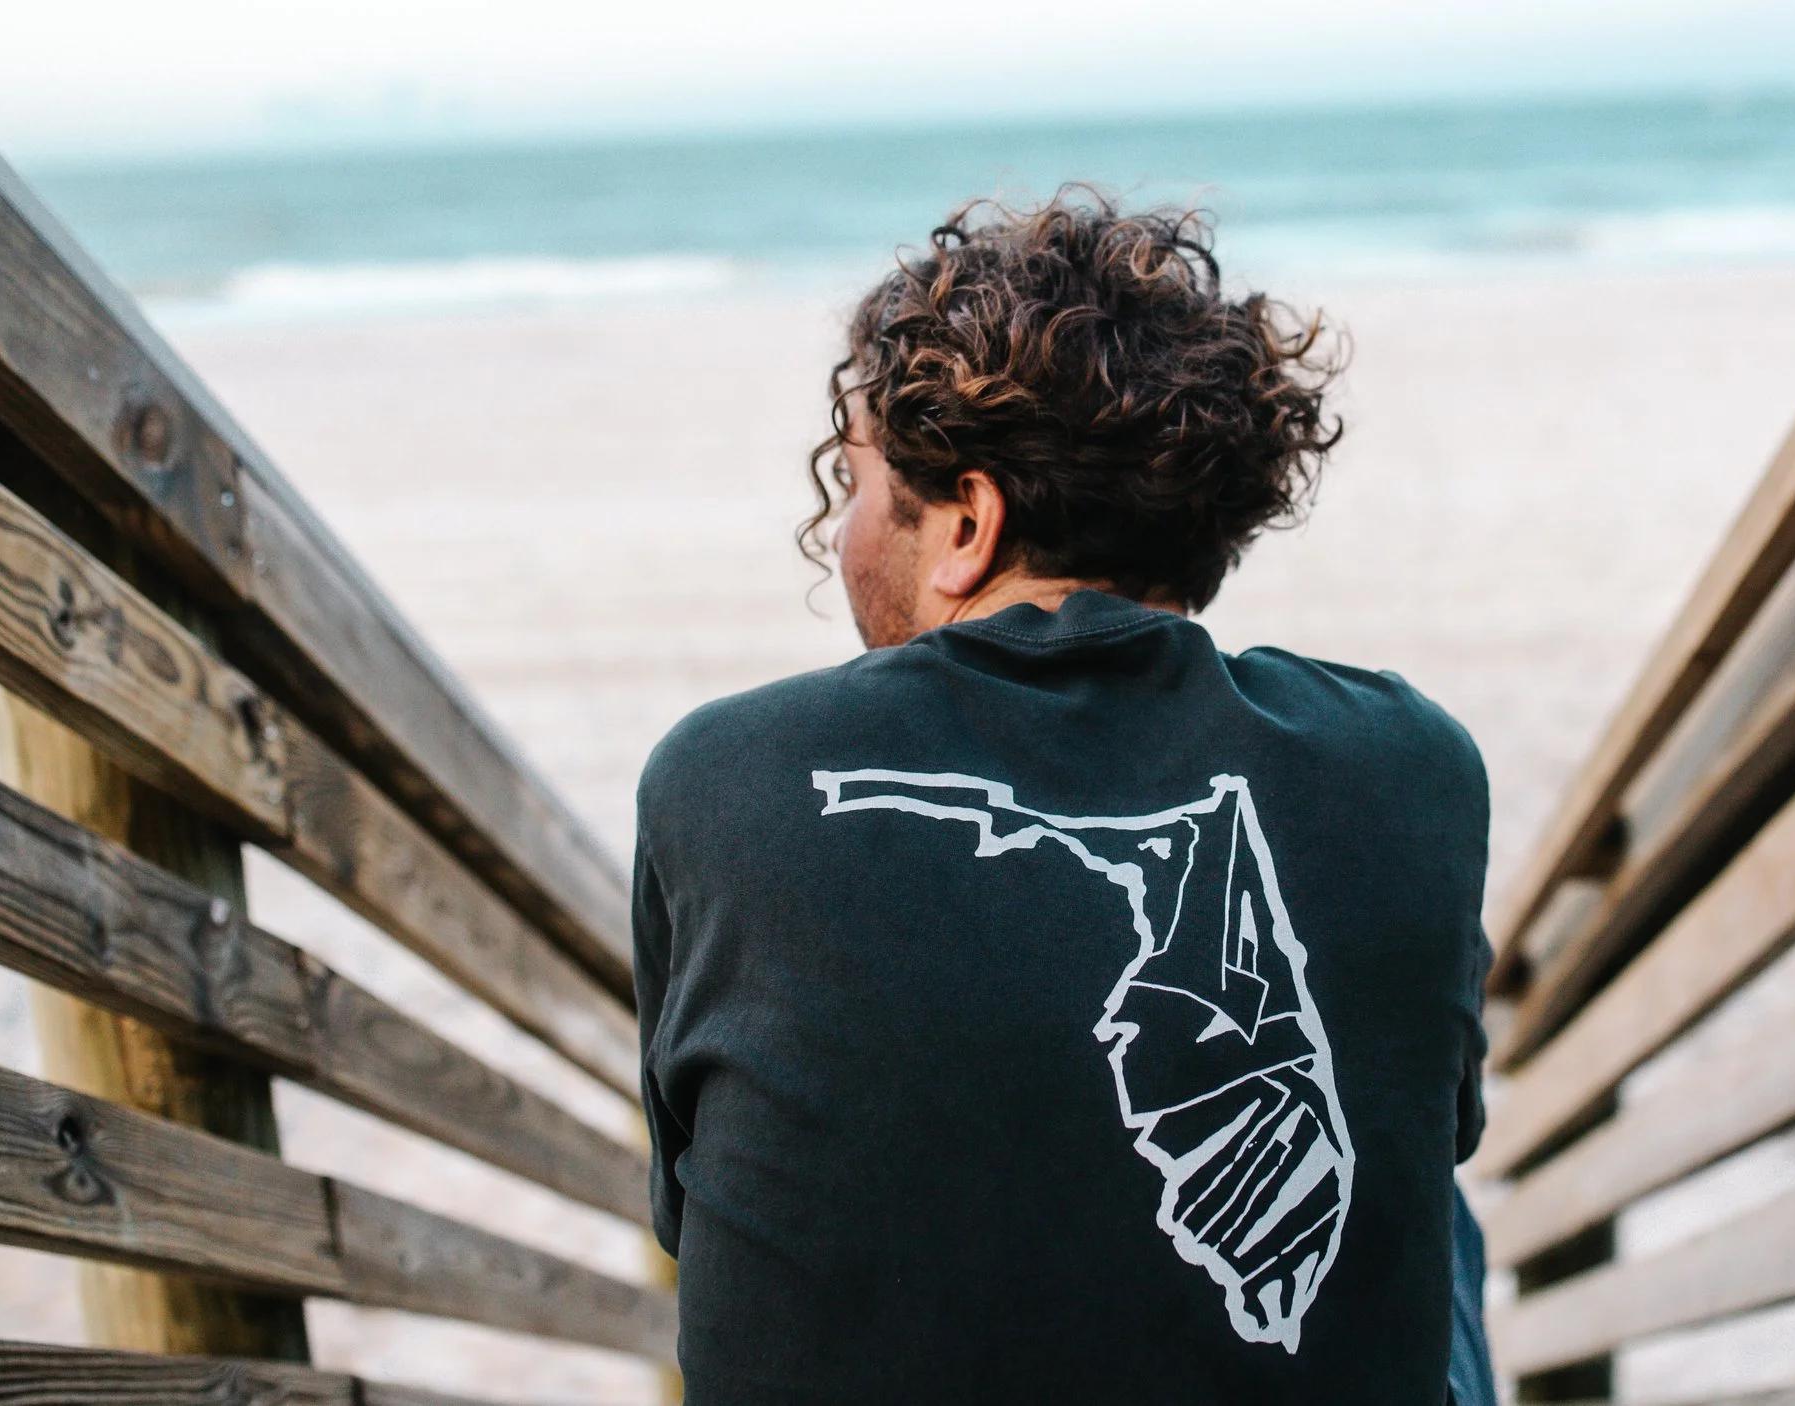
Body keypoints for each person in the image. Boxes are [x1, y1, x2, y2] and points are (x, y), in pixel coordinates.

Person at [631, 187, 1495, 1403]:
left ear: (968, 522)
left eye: (862, 484)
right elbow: (1433, 1128)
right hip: (1271, 1278)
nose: (845, 532)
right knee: (1439, 1209)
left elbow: (691, 1205)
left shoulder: (726, 772)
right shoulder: (1411, 757)